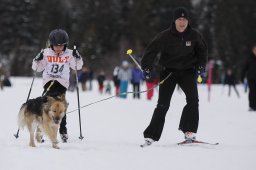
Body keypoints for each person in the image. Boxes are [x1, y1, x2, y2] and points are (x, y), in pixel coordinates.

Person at [140, 7, 208, 146]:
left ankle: (189, 131)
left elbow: (202, 51)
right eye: (179, 19)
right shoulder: (165, 36)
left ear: (188, 21)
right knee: (163, 105)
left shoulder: (195, 35)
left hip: (188, 71)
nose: (182, 22)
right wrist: (146, 67)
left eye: (184, 19)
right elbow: (151, 50)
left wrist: (201, 66)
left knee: (193, 99)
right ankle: (151, 136)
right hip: (169, 71)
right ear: (175, 21)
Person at [32, 29, 84, 142]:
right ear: (51, 44)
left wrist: (78, 57)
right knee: (48, 106)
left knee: (60, 107)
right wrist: (37, 60)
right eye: (56, 46)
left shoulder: (69, 53)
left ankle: (62, 129)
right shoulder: (45, 52)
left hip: (62, 83)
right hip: (48, 81)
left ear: (65, 44)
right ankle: (41, 129)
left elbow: (77, 66)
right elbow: (37, 68)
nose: (58, 48)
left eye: (61, 46)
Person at [241, 44, 256, 111]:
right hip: (251, 78)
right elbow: (244, 68)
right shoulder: (249, 58)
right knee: (252, 92)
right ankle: (251, 106)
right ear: (253, 50)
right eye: (255, 50)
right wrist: (242, 77)